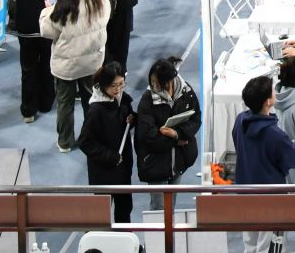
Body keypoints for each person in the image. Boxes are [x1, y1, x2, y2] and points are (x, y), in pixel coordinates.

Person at [41, 0, 111, 153]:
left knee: (65, 104)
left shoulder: (62, 6)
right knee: (92, 101)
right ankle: (91, 137)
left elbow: (47, 31)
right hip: (92, 62)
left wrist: (47, 10)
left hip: (67, 66)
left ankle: (65, 141)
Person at [230, 75, 295, 253]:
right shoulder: (274, 134)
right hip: (271, 197)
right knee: (270, 246)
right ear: (268, 101)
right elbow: (291, 159)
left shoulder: (240, 120)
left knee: (250, 243)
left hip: (245, 191)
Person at [13, 0, 69, 122]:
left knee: (27, 67)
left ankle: (28, 110)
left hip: (25, 25)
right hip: (49, 26)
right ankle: (46, 102)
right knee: (47, 64)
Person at [80, 62, 135, 224]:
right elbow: (85, 141)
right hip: (104, 172)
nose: (118, 89)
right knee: (101, 216)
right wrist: (110, 156)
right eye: (113, 85)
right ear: (103, 85)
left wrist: (133, 119)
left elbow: (127, 118)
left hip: (122, 169)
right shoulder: (95, 110)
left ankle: (124, 239)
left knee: (124, 210)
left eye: (121, 84)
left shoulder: (122, 99)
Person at [135, 56, 203, 187]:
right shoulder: (147, 99)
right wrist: (175, 140)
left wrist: (177, 133)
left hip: (180, 160)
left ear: (170, 81)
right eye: (152, 82)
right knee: (159, 200)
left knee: (173, 198)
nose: (154, 86)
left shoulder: (186, 92)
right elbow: (147, 134)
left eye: (157, 83)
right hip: (155, 164)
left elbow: (195, 118)